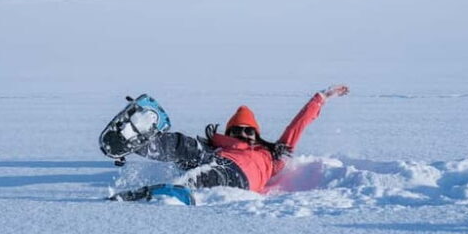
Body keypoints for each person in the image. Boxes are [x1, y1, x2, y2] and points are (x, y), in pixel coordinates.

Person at [134, 85, 349, 193]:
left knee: (210, 176)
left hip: (239, 175)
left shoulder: (273, 155)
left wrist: (321, 98)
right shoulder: (215, 145)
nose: (244, 134)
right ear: (229, 133)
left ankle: (174, 191)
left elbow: (297, 126)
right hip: (215, 157)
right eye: (237, 130)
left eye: (249, 130)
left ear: (256, 133)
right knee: (186, 146)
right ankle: (138, 140)